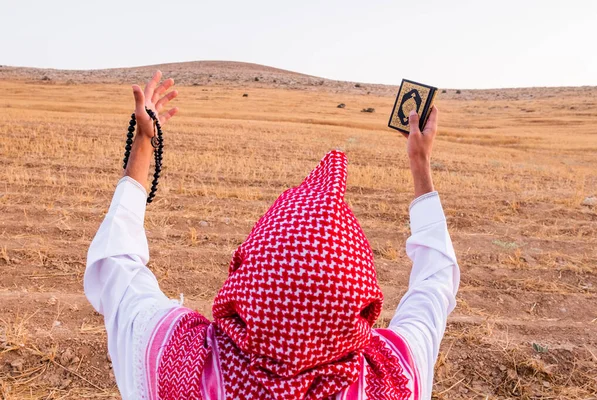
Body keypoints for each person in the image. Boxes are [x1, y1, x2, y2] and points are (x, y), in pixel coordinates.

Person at [84, 71, 459, 400]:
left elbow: (116, 263)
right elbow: (434, 283)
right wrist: (420, 163)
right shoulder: (394, 377)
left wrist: (144, 144)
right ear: (360, 301)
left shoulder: (179, 364)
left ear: (246, 275)